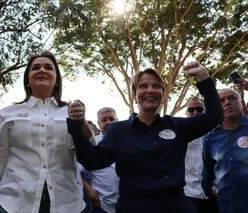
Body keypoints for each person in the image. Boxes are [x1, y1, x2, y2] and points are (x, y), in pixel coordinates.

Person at [67, 62, 223, 213]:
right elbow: (91, 160)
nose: (150, 90)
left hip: (176, 206)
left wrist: (204, 79)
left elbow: (215, 116)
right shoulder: (119, 131)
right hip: (134, 206)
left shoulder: (177, 126)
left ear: (163, 94)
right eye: (143, 86)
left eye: (156, 86)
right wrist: (75, 124)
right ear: (135, 95)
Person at [0, 51, 88, 213]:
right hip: (12, 203)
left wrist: (81, 122)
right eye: (35, 68)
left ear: (56, 81)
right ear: (27, 80)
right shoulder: (9, 112)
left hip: (67, 204)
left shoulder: (71, 111)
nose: (42, 70)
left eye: (49, 67)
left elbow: (89, 154)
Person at [202, 88, 248, 213]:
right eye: (221, 100)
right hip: (226, 206)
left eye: (232, 98)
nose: (227, 102)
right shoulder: (210, 138)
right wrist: (210, 192)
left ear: (241, 102)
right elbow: (207, 173)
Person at [184, 98, 218, 213]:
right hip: (189, 195)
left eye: (199, 109)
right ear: (187, 113)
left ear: (204, 111)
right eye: (191, 110)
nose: (195, 112)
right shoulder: (180, 134)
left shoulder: (215, 133)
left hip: (213, 195)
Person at [83, 107, 119, 213]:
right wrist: (90, 191)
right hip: (101, 205)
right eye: (104, 120)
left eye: (111, 119)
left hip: (128, 203)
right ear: (99, 124)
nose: (108, 122)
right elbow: (76, 171)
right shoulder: (92, 145)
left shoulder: (128, 141)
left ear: (117, 121)